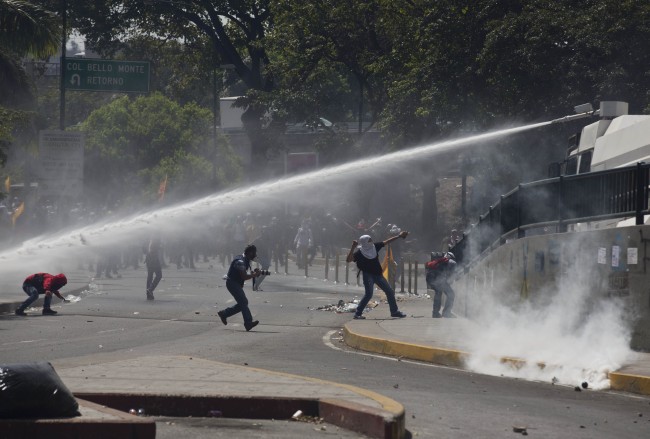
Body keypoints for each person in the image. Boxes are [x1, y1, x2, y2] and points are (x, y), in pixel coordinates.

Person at [346, 230, 409, 320]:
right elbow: (348, 260)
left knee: (390, 291)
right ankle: (358, 313)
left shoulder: (374, 247)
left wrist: (399, 236)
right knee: (369, 294)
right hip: (368, 275)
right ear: (364, 242)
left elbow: (387, 241)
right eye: (369, 240)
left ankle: (394, 312)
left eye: (371, 239)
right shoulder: (360, 252)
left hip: (378, 274)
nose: (371, 241)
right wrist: (352, 247)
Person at [217, 244, 261, 331]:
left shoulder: (246, 259)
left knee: (243, 303)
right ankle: (248, 323)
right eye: (254, 253)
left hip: (235, 283)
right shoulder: (240, 261)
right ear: (250, 253)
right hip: (232, 283)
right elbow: (244, 276)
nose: (255, 255)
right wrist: (254, 275)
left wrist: (255, 271)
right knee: (244, 302)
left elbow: (252, 269)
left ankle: (224, 314)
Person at [425, 251, 457, 318]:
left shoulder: (439, 261)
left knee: (438, 293)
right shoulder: (451, 262)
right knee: (451, 294)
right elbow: (450, 275)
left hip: (430, 278)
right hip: (438, 279)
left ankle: (435, 313)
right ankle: (446, 313)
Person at [145, 235, 163, 300]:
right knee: (159, 275)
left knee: (150, 276)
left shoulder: (149, 236)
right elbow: (156, 247)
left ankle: (148, 293)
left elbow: (144, 249)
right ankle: (150, 290)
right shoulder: (156, 236)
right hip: (154, 259)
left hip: (149, 259)